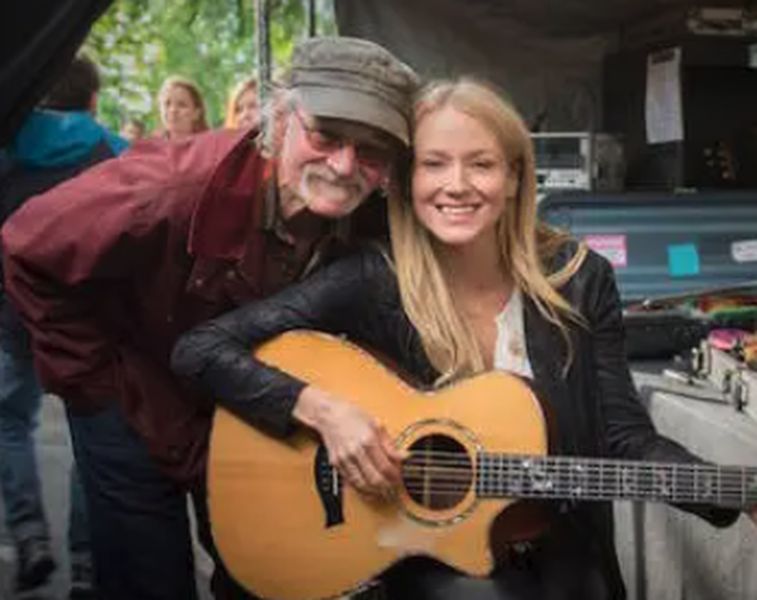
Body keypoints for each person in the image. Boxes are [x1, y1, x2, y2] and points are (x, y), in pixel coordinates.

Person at [171, 78, 757, 600]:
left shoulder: (578, 280)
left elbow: (625, 438)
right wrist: (323, 412)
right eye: (434, 164)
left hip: (563, 556)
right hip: (421, 555)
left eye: (480, 164)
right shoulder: (375, 278)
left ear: (514, 177)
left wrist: (732, 491)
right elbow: (200, 350)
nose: (457, 185)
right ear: (406, 180)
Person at [0, 36, 418, 600]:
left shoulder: (368, 216)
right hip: (133, 394)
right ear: (280, 118)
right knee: (150, 580)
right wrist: (95, 388)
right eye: (326, 135)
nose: (344, 165)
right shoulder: (170, 188)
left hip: (240, 404)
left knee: (260, 571)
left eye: (371, 150)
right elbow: (26, 245)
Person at [0, 53, 126, 598]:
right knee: (92, 435)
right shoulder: (113, 150)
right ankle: (85, 561)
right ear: (93, 98)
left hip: (12, 310)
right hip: (89, 319)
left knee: (8, 422)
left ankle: (29, 535)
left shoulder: (8, 146)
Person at [156, 75, 209, 140]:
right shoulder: (149, 147)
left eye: (182, 105)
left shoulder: (211, 146)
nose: (173, 110)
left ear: (196, 113)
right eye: (167, 104)